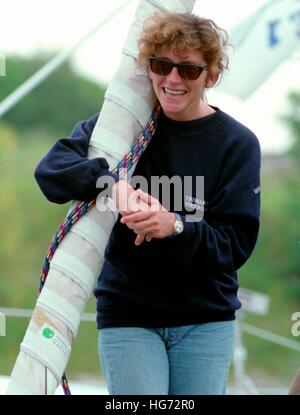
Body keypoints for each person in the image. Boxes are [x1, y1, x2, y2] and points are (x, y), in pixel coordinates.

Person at [34, 11, 261, 395]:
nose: (173, 79)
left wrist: (173, 226)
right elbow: (51, 172)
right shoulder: (122, 127)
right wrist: (110, 183)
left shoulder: (237, 145)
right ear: (148, 68)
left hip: (204, 319)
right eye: (162, 65)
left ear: (211, 76)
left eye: (188, 70)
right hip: (129, 315)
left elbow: (235, 245)